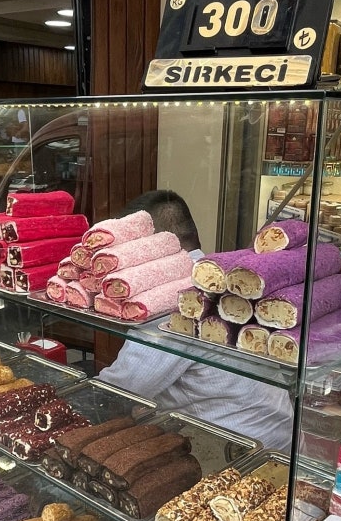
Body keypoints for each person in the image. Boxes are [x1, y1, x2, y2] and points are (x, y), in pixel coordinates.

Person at [97, 190, 294, 452]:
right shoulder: (226, 277)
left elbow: (119, 389)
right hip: (282, 438)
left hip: (235, 452)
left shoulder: (177, 298)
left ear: (147, 247)